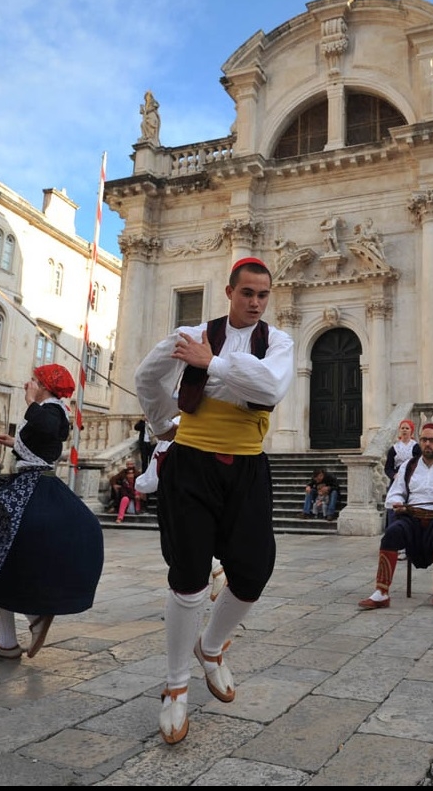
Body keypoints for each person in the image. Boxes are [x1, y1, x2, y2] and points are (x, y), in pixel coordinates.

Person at [134, 256, 294, 745]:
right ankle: (176, 685)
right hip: (193, 464)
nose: (255, 302)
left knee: (253, 570)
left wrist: (214, 365)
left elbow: (271, 388)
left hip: (246, 465)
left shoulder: (280, 342)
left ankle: (211, 646)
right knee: (188, 577)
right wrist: (163, 423)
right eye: (247, 293)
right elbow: (147, 377)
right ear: (229, 292)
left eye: (263, 295)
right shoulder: (192, 332)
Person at [0, 364, 104, 661]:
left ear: (45, 386)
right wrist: (16, 443)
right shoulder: (52, 409)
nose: (29, 384)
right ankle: (13, 634)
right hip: (33, 482)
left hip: (30, 486)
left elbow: (50, 429)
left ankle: (24, 624)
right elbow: (47, 442)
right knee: (0, 558)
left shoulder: (49, 409)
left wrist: (30, 403)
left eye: (34, 381)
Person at [358, 423, 433, 614]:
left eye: (432, 440)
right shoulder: (409, 466)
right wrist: (398, 503)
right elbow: (395, 493)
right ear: (420, 442)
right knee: (392, 532)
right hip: (413, 518)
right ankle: (381, 592)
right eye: (424, 440)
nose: (427, 444)